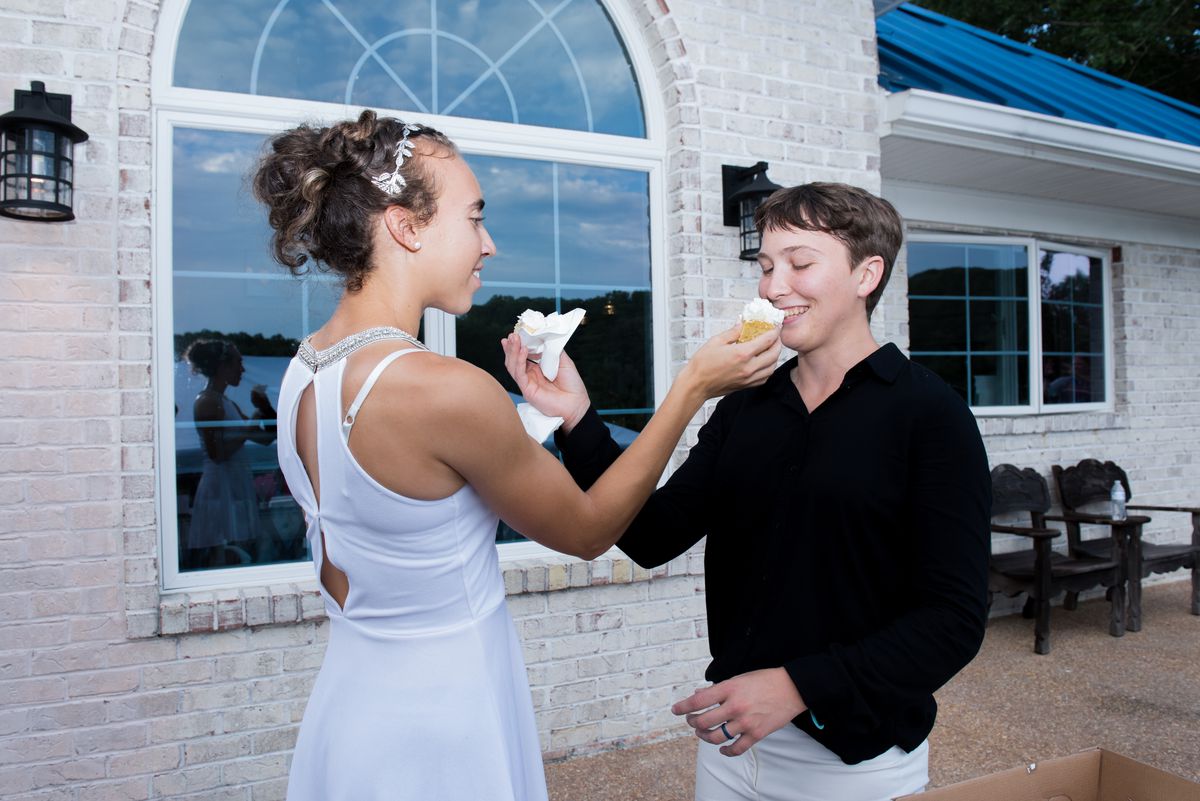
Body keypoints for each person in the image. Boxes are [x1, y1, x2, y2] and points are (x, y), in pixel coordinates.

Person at [251, 110, 781, 801]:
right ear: (406, 227)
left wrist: (558, 418)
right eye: (473, 219)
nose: (489, 243)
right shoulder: (446, 391)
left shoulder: (302, 373)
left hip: (349, 712)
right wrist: (693, 387)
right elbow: (590, 532)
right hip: (446, 720)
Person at [505, 183, 991, 801]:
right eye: (765, 266)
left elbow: (953, 621)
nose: (772, 286)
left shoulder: (930, 414)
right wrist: (579, 419)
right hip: (732, 750)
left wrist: (797, 686)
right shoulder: (746, 409)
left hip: (858, 761)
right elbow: (653, 535)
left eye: (800, 264)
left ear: (867, 274)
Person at [182, 339, 276, 567]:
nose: (242, 369)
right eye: (238, 363)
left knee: (238, 543)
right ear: (223, 366)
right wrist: (250, 425)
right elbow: (217, 454)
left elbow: (266, 439)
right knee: (221, 548)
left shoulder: (225, 402)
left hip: (233, 482)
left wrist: (265, 408)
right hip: (219, 486)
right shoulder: (206, 402)